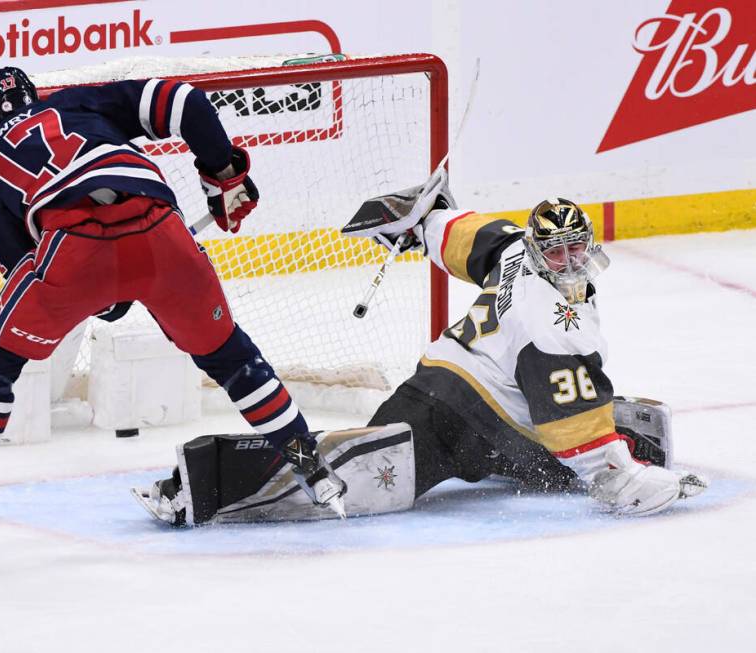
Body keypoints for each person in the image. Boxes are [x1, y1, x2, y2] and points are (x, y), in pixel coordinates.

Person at [0, 67, 345, 555]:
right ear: (36, 95)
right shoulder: (77, 103)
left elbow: (20, 265)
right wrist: (222, 175)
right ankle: (310, 463)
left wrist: (97, 295)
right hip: (163, 232)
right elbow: (187, 102)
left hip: (74, 249)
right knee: (229, 356)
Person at [134, 171, 708, 525]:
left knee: (520, 457)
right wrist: (616, 477)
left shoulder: (513, 247)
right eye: (553, 252)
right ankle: (201, 482)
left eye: (573, 248)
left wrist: (418, 220)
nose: (566, 262)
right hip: (457, 412)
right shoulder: (556, 323)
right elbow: (570, 426)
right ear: (539, 251)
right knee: (357, 478)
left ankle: (623, 436)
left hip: (467, 401)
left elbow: (455, 232)